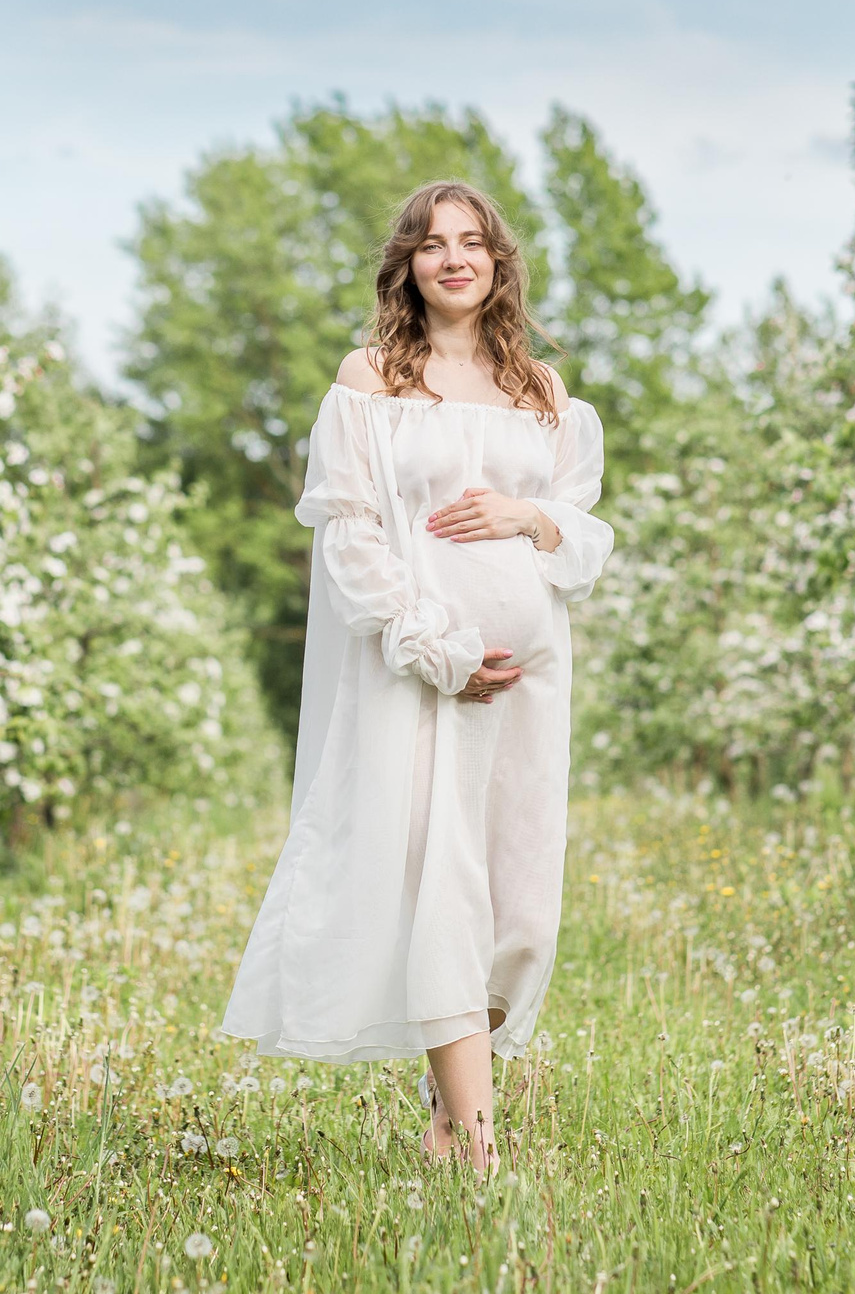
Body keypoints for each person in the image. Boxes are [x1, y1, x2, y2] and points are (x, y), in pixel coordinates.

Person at [220, 179, 616, 1173]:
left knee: (518, 905)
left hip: (528, 686)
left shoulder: (543, 393)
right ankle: (480, 1147)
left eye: (472, 242)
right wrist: (433, 647)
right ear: (407, 263)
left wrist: (530, 519)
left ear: (498, 261)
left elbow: (584, 535)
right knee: (445, 886)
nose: (454, 259)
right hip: (425, 680)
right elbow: (348, 536)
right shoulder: (369, 380)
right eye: (433, 244)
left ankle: (447, 1119)